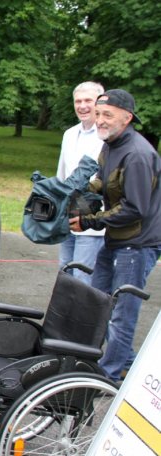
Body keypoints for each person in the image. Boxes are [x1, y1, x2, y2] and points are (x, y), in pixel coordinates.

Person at [69, 89, 161, 382]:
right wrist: (76, 193)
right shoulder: (109, 145)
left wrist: (90, 221)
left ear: (127, 117)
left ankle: (107, 376)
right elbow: (101, 182)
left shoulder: (137, 154)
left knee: (122, 312)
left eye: (107, 115)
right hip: (116, 239)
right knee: (98, 302)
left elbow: (135, 207)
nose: (100, 120)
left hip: (138, 244)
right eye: (98, 114)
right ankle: (126, 362)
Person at [56, 82, 106, 283]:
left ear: (99, 104)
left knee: (82, 276)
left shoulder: (106, 137)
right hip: (68, 214)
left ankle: (82, 315)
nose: (82, 106)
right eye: (78, 101)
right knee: (65, 270)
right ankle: (65, 315)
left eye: (88, 101)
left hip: (92, 219)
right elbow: (62, 174)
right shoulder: (70, 134)